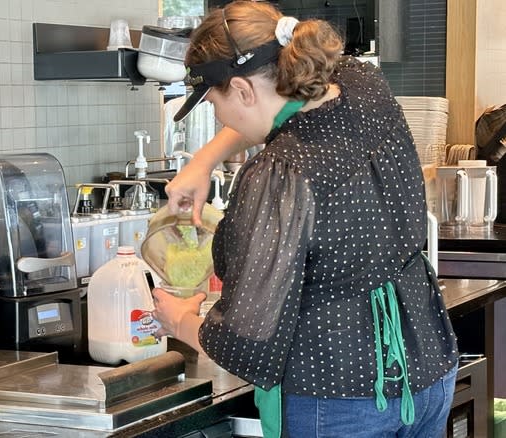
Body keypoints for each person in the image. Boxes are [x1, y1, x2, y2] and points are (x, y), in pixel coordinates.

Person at [149, 2, 459, 437]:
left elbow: (247, 342)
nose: (219, 117)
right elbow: (283, 104)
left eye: (214, 101)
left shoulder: (281, 174)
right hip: (427, 366)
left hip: (338, 393)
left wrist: (181, 319)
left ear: (241, 89)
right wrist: (203, 160)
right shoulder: (359, 82)